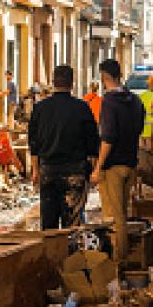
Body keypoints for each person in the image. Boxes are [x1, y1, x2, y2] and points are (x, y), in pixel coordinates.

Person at [28, 65, 100, 229]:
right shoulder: (82, 108)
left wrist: (35, 170)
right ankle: (71, 254)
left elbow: (34, 143)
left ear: (53, 82)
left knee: (49, 221)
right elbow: (92, 142)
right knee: (73, 223)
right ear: (72, 83)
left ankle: (50, 253)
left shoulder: (40, 108)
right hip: (75, 171)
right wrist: (95, 170)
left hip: (48, 170)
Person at [90, 59, 145, 262]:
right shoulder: (134, 100)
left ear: (104, 77)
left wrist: (98, 167)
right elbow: (139, 128)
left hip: (113, 166)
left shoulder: (109, 102)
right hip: (130, 163)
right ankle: (123, 258)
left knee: (114, 217)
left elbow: (108, 137)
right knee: (123, 212)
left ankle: (119, 263)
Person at [138, 75, 153, 152]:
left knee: (142, 151)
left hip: (141, 128)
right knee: (150, 151)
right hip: (152, 129)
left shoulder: (141, 96)